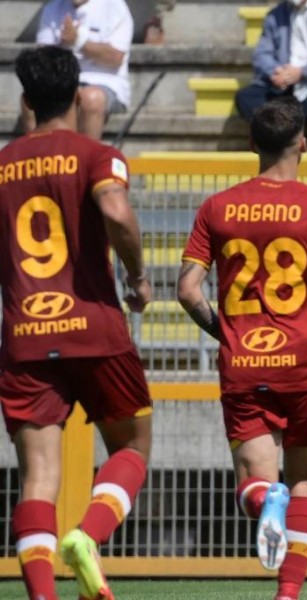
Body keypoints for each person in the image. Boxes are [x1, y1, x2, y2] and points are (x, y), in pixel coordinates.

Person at [177, 97, 307, 600]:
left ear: (250, 144)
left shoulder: (216, 207)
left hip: (244, 362)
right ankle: (288, 595)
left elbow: (187, 290)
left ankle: (269, 499)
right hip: (306, 363)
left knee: (254, 488)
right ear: (303, 143)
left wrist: (226, 332)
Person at [1, 46, 153, 600]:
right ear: (76, 96)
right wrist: (137, 276)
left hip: (24, 335)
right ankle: (88, 537)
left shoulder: (2, 165)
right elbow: (115, 211)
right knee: (133, 444)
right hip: (94, 328)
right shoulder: (96, 154)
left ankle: (42, 595)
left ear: (24, 101)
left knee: (36, 478)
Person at [23, 0, 133, 141]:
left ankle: (88, 160)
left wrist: (78, 41)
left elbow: (115, 58)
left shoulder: (115, 7)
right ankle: (38, 157)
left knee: (90, 99)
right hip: (62, 80)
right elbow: (43, 59)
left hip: (106, 82)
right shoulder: (52, 9)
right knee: (30, 98)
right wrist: (62, 45)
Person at [234, 0, 307, 128]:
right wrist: (275, 71)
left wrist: (302, 72)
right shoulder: (275, 15)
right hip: (282, 88)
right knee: (245, 97)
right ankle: (286, 132)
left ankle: (280, 133)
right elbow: (262, 54)